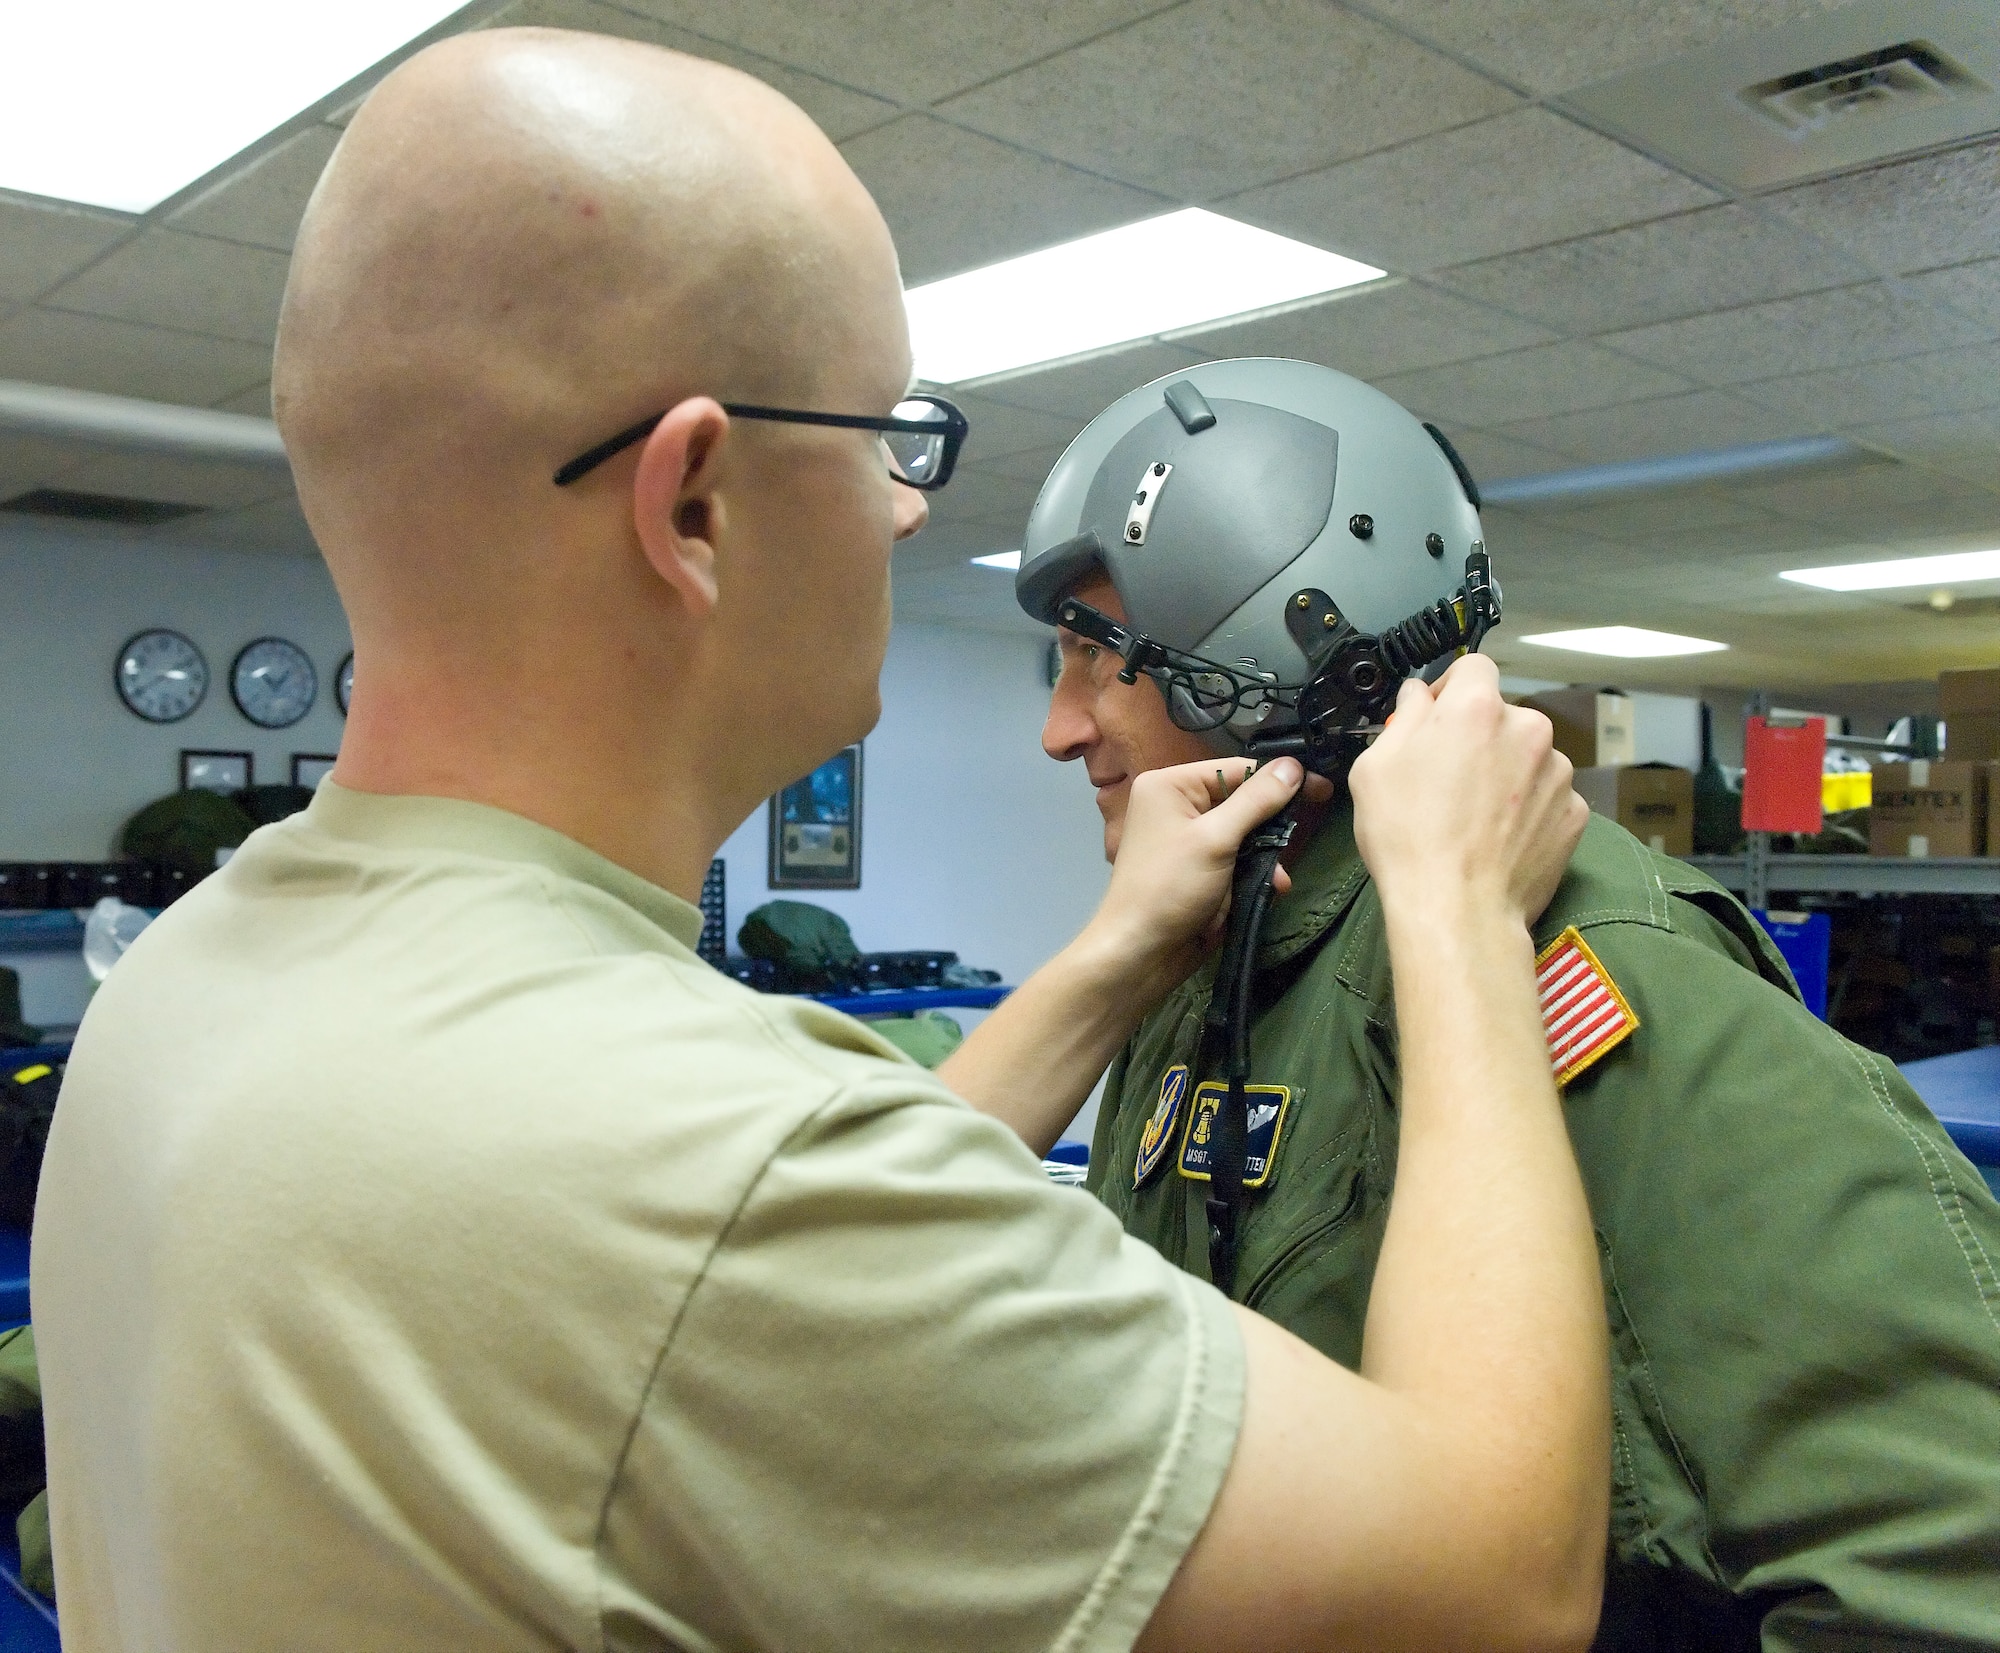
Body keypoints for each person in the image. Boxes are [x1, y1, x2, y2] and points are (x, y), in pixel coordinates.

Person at [32, 30, 1612, 1653]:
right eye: (886, 433)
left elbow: (740, 1277)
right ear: (694, 503)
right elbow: (1494, 1575)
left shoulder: (186, 983)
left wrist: (1118, 955)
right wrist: (1458, 908)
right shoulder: (713, 1179)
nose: (910, 505)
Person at [1022, 358, 2000, 1651]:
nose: (1059, 726)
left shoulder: (1585, 959)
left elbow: (1948, 1570)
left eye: (1101, 659)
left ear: (1265, 650)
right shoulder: (1206, 951)